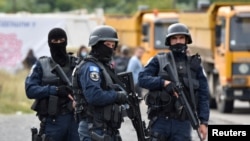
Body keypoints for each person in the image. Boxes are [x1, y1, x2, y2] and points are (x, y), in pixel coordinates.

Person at [138, 23, 210, 141]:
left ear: (187, 40)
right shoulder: (158, 60)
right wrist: (163, 83)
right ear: (169, 41)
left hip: (183, 123)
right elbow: (142, 79)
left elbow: (203, 95)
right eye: (174, 38)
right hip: (160, 121)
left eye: (181, 38)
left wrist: (204, 122)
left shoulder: (195, 65)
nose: (178, 41)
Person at [25, 27, 80, 141]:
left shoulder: (77, 64)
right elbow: (30, 89)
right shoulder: (41, 64)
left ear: (66, 42)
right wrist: (55, 90)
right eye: (54, 41)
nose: (58, 44)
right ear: (49, 43)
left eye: (61, 41)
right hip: (53, 122)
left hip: (75, 120)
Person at [76, 25, 128, 141]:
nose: (110, 48)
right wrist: (117, 96)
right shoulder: (90, 67)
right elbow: (94, 96)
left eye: (113, 46)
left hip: (107, 128)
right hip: (94, 128)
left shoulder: (104, 67)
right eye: (107, 44)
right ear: (96, 45)